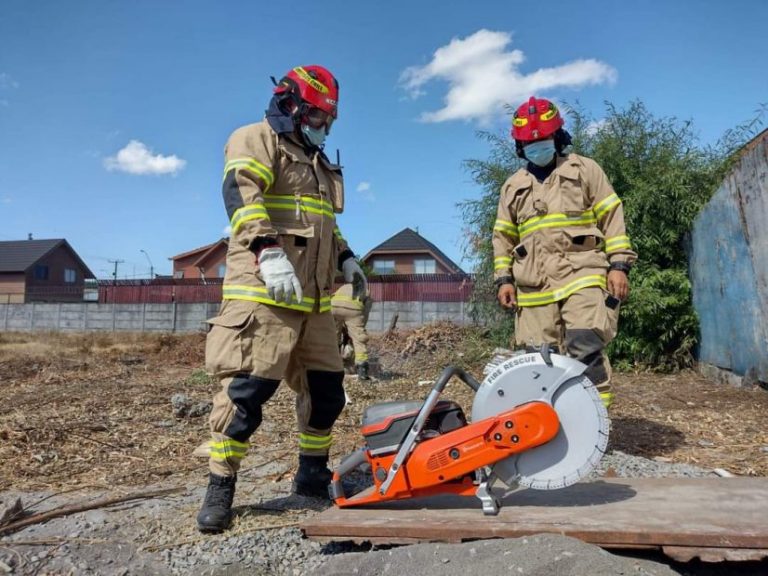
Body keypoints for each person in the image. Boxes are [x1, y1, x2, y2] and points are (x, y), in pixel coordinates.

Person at [197, 65, 367, 533]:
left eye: (328, 120)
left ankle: (311, 478)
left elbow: (322, 224)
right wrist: (266, 249)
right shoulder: (254, 139)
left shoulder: (316, 163)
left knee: (327, 394)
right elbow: (241, 194)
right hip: (264, 293)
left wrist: (347, 257)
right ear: (290, 104)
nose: (323, 126)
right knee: (246, 396)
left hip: (313, 302)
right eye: (317, 116)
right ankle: (220, 485)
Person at [492, 96, 637, 410]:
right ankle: (552, 431)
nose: (537, 147)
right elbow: (502, 236)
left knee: (585, 348)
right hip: (533, 288)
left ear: (556, 138)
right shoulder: (512, 186)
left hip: (582, 274)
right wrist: (504, 280)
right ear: (519, 146)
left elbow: (612, 217)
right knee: (538, 360)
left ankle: (595, 425)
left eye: (543, 139)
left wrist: (619, 265)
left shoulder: (585, 169)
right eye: (530, 143)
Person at [331, 280, 373, 380]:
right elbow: (364, 314)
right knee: (359, 340)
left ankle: (332, 367)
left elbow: (332, 297)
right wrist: (358, 331)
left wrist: (343, 330)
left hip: (333, 307)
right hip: (353, 310)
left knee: (332, 338)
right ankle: (362, 372)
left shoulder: (343, 287)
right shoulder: (365, 291)